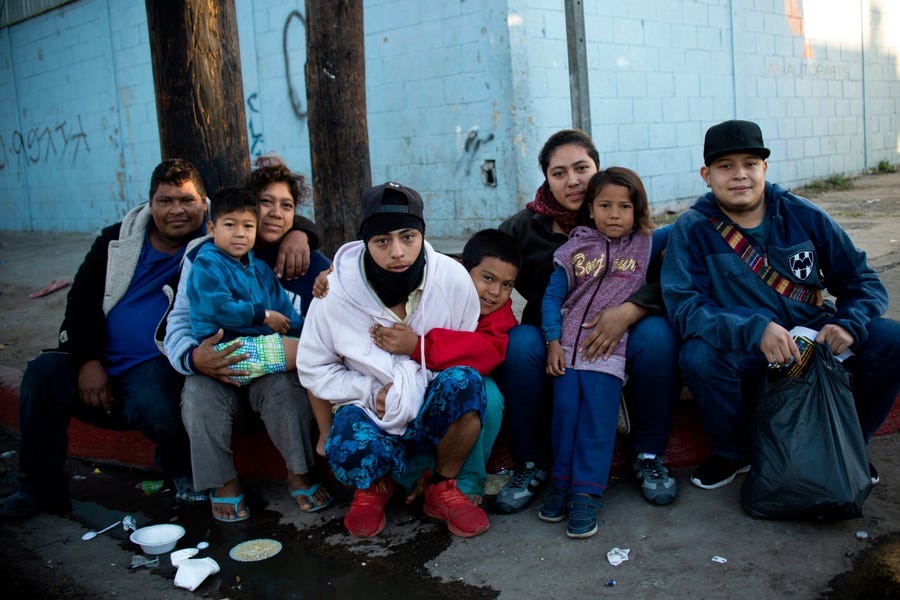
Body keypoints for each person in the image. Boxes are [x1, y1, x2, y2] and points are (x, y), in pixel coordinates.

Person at [662, 119, 900, 490]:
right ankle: (732, 452)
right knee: (698, 357)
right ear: (706, 175)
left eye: (750, 164)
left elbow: (862, 281)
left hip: (816, 344)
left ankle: (851, 443)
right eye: (726, 166)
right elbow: (686, 307)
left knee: (890, 340)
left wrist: (847, 324)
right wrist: (753, 329)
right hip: (751, 352)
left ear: (764, 169)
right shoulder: (692, 229)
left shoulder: (801, 213)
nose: (740, 175)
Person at [0, 159, 209, 518]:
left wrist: (302, 233)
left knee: (156, 400)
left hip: (154, 364)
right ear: (150, 204)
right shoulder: (117, 239)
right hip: (100, 362)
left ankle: (180, 473)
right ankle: (39, 490)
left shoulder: (216, 238)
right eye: (165, 200)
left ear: (204, 203)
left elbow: (269, 218)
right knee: (41, 375)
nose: (176, 210)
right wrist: (86, 360)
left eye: (186, 200)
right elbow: (80, 300)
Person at [496, 130, 681, 512]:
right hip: (555, 338)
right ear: (546, 178)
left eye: (582, 168)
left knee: (658, 335)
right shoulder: (523, 228)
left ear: (596, 168)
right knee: (519, 345)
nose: (573, 180)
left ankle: (648, 455)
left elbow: (671, 275)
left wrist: (630, 311)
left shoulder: (623, 214)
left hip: (625, 335)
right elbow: (479, 265)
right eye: (559, 172)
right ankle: (530, 463)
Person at [297, 181, 490, 539]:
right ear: (366, 242)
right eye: (382, 241)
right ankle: (374, 487)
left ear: (422, 235)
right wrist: (370, 391)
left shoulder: (451, 279)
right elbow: (314, 365)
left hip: (428, 398)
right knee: (345, 438)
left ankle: (442, 487)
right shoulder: (336, 290)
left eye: (408, 237)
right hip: (369, 409)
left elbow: (462, 344)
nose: (397, 252)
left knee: (466, 384)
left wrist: (416, 359)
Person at [164, 155, 332, 522]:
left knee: (288, 388)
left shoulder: (277, 263)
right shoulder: (206, 258)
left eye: (286, 206)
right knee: (197, 396)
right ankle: (223, 482)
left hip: (265, 363)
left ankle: (299, 471)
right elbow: (184, 316)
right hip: (216, 356)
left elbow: (295, 315)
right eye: (265, 203)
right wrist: (193, 358)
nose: (274, 214)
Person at [539, 167, 668, 538]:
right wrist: (551, 341)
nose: (615, 214)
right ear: (591, 209)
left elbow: (692, 223)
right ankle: (561, 484)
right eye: (606, 205)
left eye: (625, 206)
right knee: (565, 417)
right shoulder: (574, 247)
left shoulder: (645, 244)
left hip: (607, 353)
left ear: (637, 209)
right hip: (565, 351)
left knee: (597, 421)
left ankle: (586, 494)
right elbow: (552, 297)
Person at [362, 229, 521, 505]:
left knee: (489, 397)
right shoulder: (437, 286)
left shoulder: (500, 315)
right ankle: (419, 477)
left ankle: (467, 481)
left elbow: (486, 351)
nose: (495, 292)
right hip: (416, 377)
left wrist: (419, 347)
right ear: (461, 268)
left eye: (507, 285)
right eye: (487, 278)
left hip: (462, 380)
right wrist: (331, 272)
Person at [186, 185, 302, 385]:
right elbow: (220, 308)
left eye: (248, 226)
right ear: (212, 228)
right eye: (230, 225)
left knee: (320, 348)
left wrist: (311, 330)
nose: (240, 233)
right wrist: (262, 316)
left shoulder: (260, 269)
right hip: (225, 350)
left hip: (256, 342)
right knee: (309, 354)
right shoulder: (206, 264)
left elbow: (286, 314)